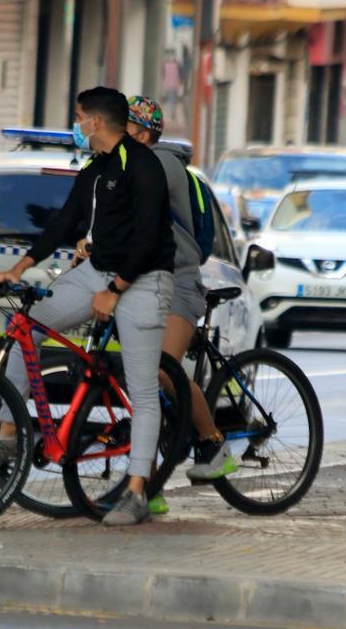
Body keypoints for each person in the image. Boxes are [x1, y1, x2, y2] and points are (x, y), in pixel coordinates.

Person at [0, 87, 177, 527]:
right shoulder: (95, 170)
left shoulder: (143, 167)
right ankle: (8, 434)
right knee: (30, 325)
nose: (76, 124)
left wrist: (115, 289)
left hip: (142, 279)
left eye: (79, 116)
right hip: (97, 271)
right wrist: (22, 266)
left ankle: (137, 491)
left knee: (141, 391)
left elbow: (149, 239)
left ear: (96, 123)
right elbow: (63, 222)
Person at [121, 96, 238, 494]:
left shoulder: (162, 164)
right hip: (145, 283)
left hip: (180, 282)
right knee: (140, 381)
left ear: (144, 132)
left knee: (161, 369)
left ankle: (213, 444)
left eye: (125, 128)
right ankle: (145, 488)